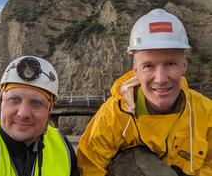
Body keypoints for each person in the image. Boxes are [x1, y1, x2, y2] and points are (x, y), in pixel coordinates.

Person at [77, 9, 212, 176]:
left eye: (170, 64)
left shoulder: (206, 113)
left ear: (184, 65)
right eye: (149, 66)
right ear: (135, 69)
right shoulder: (113, 116)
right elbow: (90, 167)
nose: (161, 79)